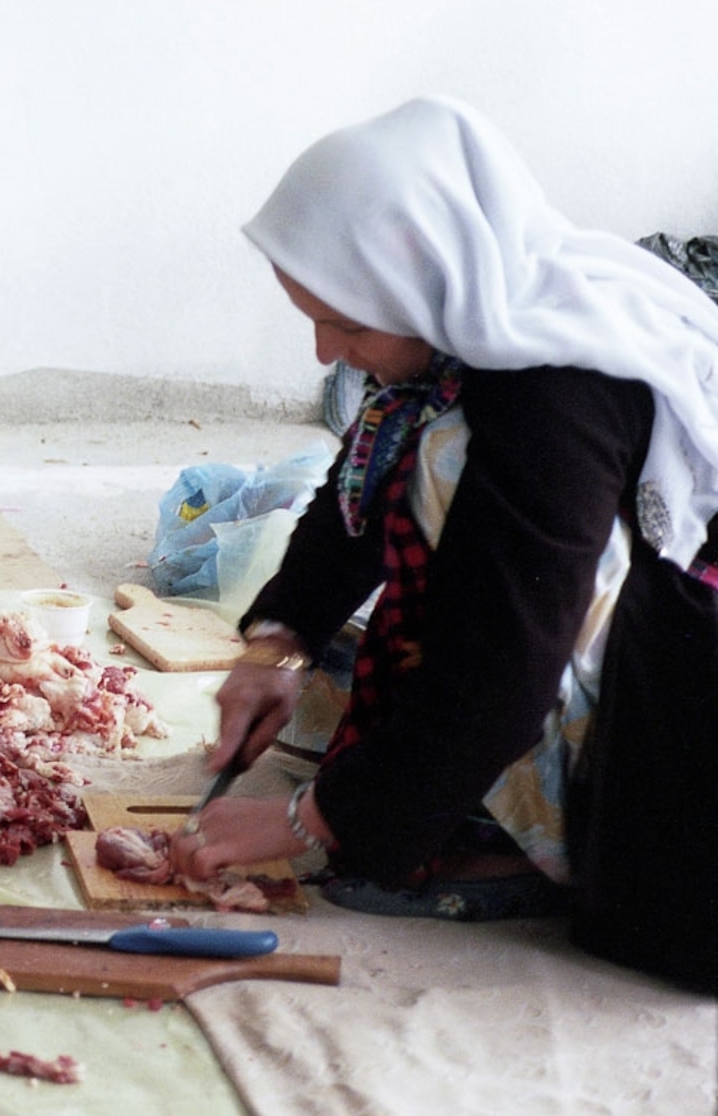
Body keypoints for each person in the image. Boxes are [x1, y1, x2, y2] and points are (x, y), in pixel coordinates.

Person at [180, 98, 717, 991]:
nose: (324, 352)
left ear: (424, 277)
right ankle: (451, 794)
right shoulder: (475, 319)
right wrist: (278, 645)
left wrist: (313, 822)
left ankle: (517, 843)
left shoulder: (557, 390)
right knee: (371, 627)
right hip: (561, 618)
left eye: (347, 326)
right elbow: (354, 496)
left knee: (445, 476)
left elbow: (506, 658)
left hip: (679, 689)